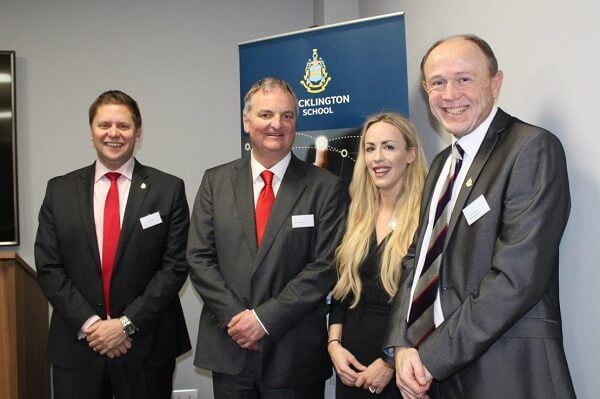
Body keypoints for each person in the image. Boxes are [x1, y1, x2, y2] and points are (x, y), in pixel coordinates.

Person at [383, 34, 576, 399]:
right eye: (437, 83)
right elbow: (418, 260)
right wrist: (402, 343)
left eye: (464, 78)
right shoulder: (441, 164)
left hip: (507, 374)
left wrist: (432, 356)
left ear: (495, 83)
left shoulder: (531, 149)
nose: (450, 94)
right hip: (435, 376)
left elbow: (517, 277)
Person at [187, 77, 346, 399]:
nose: (277, 124)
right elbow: (199, 258)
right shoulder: (216, 182)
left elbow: (326, 265)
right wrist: (239, 320)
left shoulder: (325, 186)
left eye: (287, 116)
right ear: (247, 122)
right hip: (230, 347)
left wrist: (263, 319)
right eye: (266, 115)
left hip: (294, 353)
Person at [35, 90, 191, 399]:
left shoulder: (168, 189)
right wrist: (92, 325)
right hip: (78, 346)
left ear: (138, 132)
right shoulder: (59, 191)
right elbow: (49, 267)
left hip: (146, 346)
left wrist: (126, 325)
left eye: (124, 125)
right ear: (91, 131)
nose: (114, 133)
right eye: (104, 125)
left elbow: (174, 267)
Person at [328, 112, 427, 398]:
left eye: (389, 147)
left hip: (405, 368)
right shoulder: (356, 215)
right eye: (370, 148)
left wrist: (390, 362)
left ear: (411, 154)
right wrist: (334, 344)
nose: (377, 158)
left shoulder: (428, 217)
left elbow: (430, 302)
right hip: (351, 365)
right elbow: (342, 290)